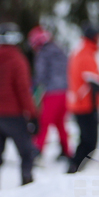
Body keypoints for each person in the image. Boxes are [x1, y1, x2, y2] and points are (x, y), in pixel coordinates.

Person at [0, 23, 37, 190]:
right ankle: (27, 183)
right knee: (26, 152)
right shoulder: (17, 59)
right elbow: (23, 90)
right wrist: (32, 114)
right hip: (13, 114)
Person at [67, 22, 99, 173]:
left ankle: (75, 168)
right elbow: (93, 81)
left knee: (86, 140)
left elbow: (95, 77)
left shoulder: (83, 51)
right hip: (85, 105)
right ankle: (74, 168)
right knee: (89, 142)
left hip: (80, 103)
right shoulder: (86, 54)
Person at [28, 25, 71, 162]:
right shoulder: (59, 49)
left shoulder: (44, 53)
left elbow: (41, 75)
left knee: (44, 122)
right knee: (60, 123)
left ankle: (37, 151)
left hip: (52, 93)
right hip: (64, 92)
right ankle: (66, 150)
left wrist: (32, 87)